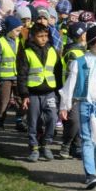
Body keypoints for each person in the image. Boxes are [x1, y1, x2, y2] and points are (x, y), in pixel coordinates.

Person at [59, 26, 96, 190]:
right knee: (87, 139)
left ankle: (93, 171)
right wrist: (65, 105)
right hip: (85, 104)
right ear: (90, 43)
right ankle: (90, 174)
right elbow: (70, 85)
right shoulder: (79, 63)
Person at [17, 23, 63, 162]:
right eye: (40, 36)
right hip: (33, 93)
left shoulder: (53, 51)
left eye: (46, 36)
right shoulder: (27, 52)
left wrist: (60, 92)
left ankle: (46, 144)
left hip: (50, 92)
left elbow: (58, 72)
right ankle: (34, 147)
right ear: (33, 37)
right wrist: (24, 95)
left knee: (53, 119)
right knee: (33, 121)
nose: (44, 39)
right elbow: (22, 75)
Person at [0, 16, 25, 131]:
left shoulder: (20, 41)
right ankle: (0, 120)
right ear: (10, 30)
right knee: (4, 100)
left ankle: (20, 121)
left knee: (20, 100)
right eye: (17, 30)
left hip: (18, 77)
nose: (19, 33)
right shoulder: (1, 42)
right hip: (5, 77)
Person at [59, 21, 87, 160]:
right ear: (81, 36)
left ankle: (76, 147)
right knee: (74, 120)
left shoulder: (82, 51)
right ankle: (66, 145)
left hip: (82, 92)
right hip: (73, 92)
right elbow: (73, 75)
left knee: (80, 120)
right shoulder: (73, 53)